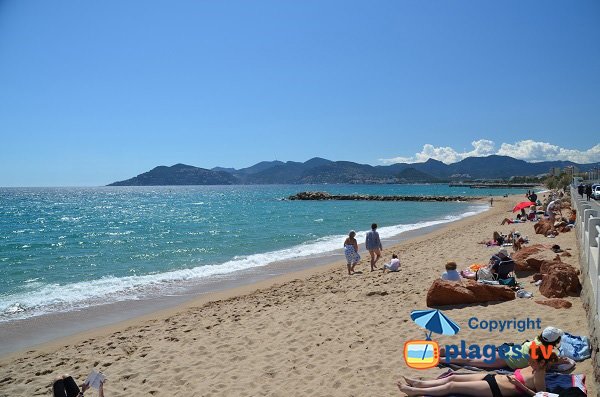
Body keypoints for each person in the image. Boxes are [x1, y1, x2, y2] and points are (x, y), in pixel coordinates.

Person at [397, 344, 558, 397]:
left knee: (452, 387)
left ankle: (414, 391)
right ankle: (419, 383)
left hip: (496, 389)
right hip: (492, 377)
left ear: (541, 362)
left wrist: (519, 385)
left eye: (532, 360)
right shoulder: (533, 366)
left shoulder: (539, 375)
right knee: (452, 377)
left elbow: (540, 396)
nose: (529, 361)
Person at [438, 327, 563, 370]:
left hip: (505, 350)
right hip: (504, 359)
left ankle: (443, 350)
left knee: (472, 353)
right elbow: (540, 365)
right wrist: (558, 361)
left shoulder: (537, 340)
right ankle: (442, 360)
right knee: (469, 361)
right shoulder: (543, 351)